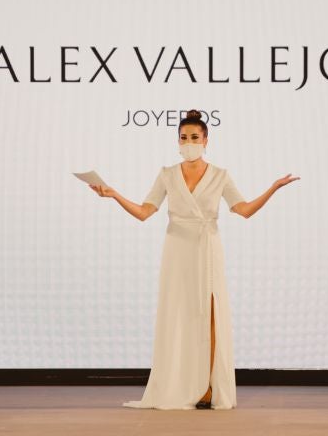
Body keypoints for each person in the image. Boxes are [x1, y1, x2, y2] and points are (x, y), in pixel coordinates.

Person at [87, 110, 299, 409]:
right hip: (177, 249)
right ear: (178, 141)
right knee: (178, 315)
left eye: (194, 137)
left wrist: (273, 188)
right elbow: (145, 212)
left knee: (210, 314)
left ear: (206, 140)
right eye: (184, 138)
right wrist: (114, 195)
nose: (189, 143)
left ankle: (209, 387)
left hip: (207, 248)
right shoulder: (167, 174)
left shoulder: (221, 175)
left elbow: (244, 210)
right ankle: (182, 384)